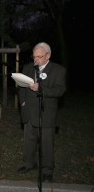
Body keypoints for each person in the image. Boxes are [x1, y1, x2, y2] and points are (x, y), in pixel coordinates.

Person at [17, 42, 66, 182]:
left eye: (39, 57)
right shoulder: (27, 68)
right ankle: (29, 164)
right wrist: (23, 102)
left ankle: (47, 170)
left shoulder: (58, 70)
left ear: (48, 55)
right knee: (29, 142)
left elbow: (60, 90)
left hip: (47, 113)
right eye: (34, 57)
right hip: (29, 111)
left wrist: (42, 89)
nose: (36, 60)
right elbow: (21, 88)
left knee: (46, 144)